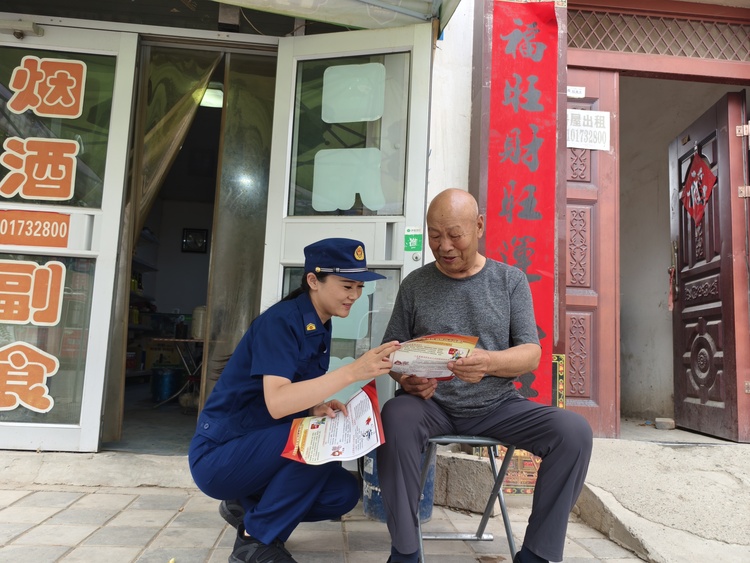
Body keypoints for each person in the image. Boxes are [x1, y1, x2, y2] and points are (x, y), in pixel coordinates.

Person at [377, 189, 593, 563]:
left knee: (574, 433)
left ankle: (538, 555)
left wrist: (489, 363)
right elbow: (390, 354)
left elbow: (531, 353)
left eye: (454, 235)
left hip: (497, 405)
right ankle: (406, 552)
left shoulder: (509, 280)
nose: (443, 246)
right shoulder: (415, 284)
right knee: (395, 416)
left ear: (479, 226)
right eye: (434, 235)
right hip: (431, 405)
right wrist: (406, 379)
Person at [189, 237, 400, 563]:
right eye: (347, 286)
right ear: (314, 281)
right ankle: (255, 541)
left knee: (342, 492)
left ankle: (246, 505)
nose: (354, 296)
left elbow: (288, 395)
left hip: (257, 447)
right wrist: (353, 372)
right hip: (221, 454)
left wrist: (314, 407)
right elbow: (276, 402)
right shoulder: (282, 322)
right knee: (322, 441)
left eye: (359, 287)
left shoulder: (321, 323)